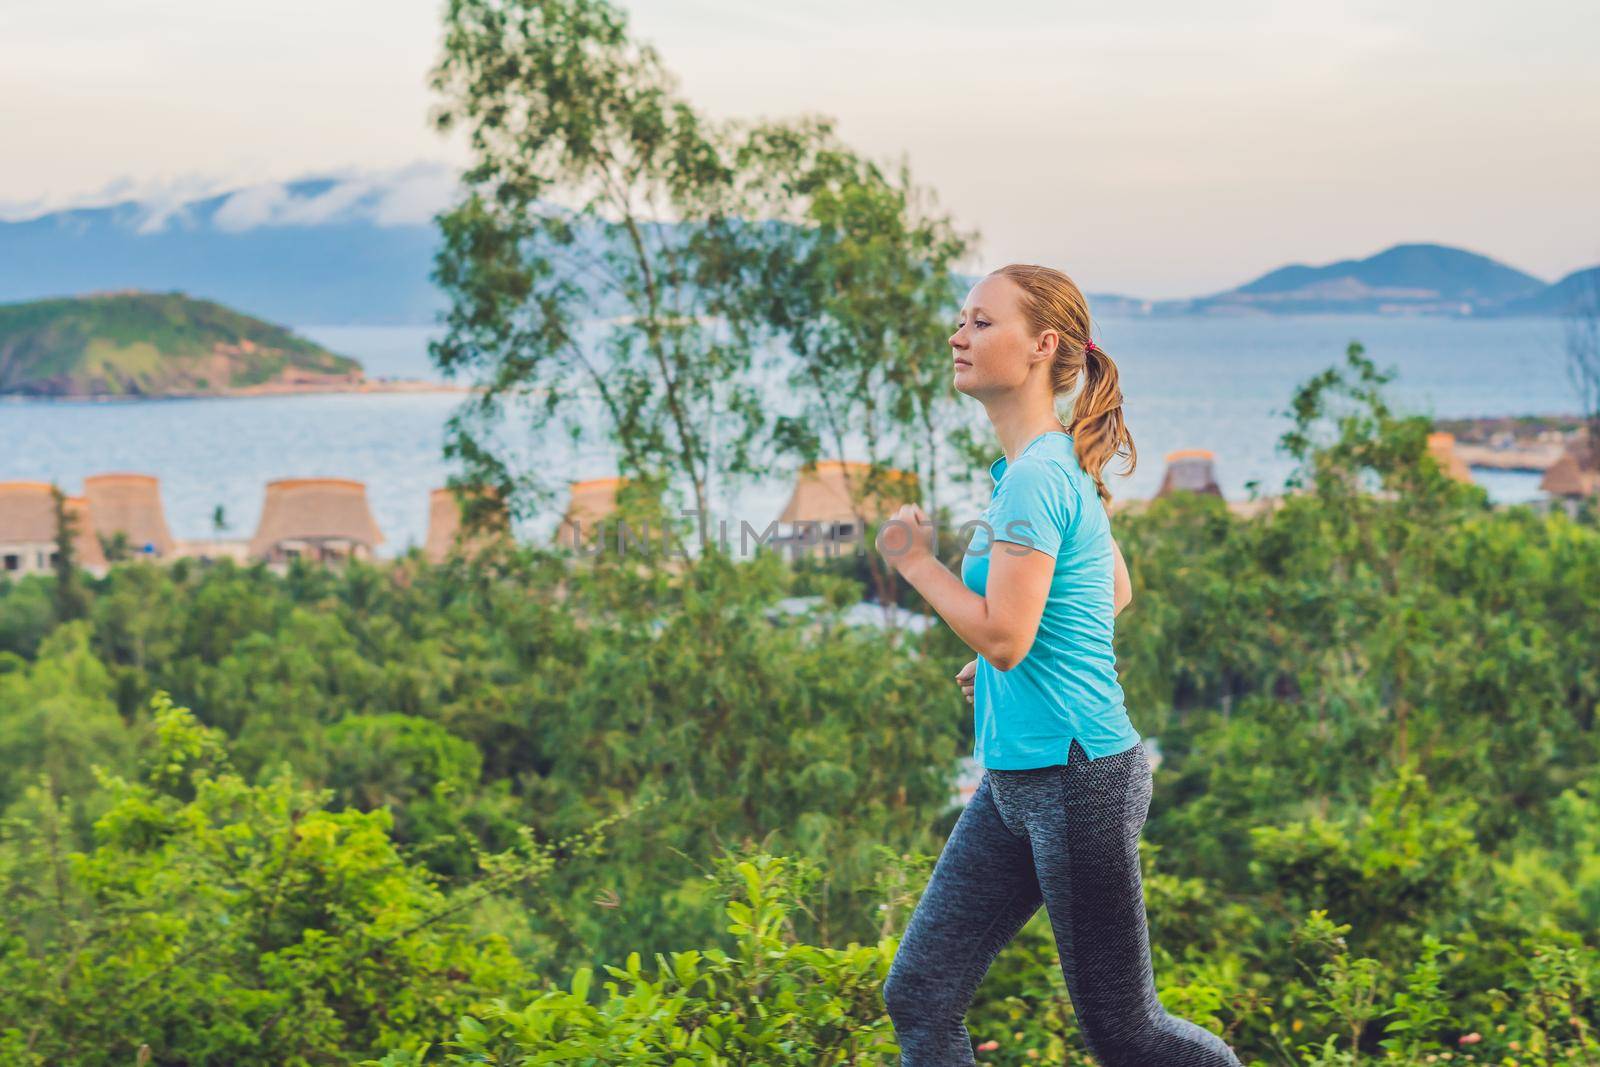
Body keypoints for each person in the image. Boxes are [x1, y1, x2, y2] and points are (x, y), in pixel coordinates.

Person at [872, 264, 1242, 1066]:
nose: (956, 336)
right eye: (961, 321)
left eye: (979, 322)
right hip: (1020, 780)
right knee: (921, 992)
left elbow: (1005, 634)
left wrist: (915, 564)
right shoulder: (1042, 465)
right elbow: (1112, 587)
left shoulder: (1039, 475)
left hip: (1078, 779)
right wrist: (1015, 660)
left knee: (1127, 1030)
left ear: (1042, 346)